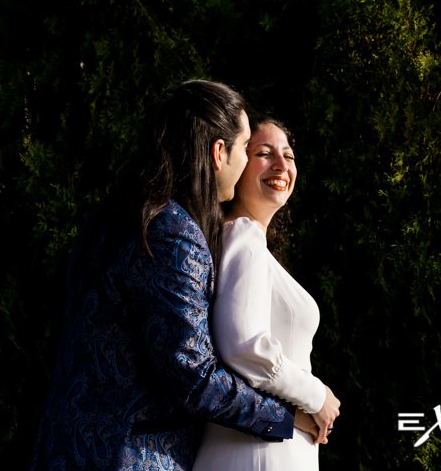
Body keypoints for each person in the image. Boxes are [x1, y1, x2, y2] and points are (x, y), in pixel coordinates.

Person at [31, 80, 322, 470]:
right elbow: (194, 377)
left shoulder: (112, 219)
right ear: (220, 153)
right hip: (130, 458)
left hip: (65, 450)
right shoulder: (173, 231)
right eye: (246, 147)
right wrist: (289, 416)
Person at [195, 116, 341, 471]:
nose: (281, 165)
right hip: (256, 455)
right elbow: (243, 344)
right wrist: (316, 396)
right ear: (239, 163)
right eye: (264, 153)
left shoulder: (247, 243)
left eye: (288, 156)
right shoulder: (242, 234)